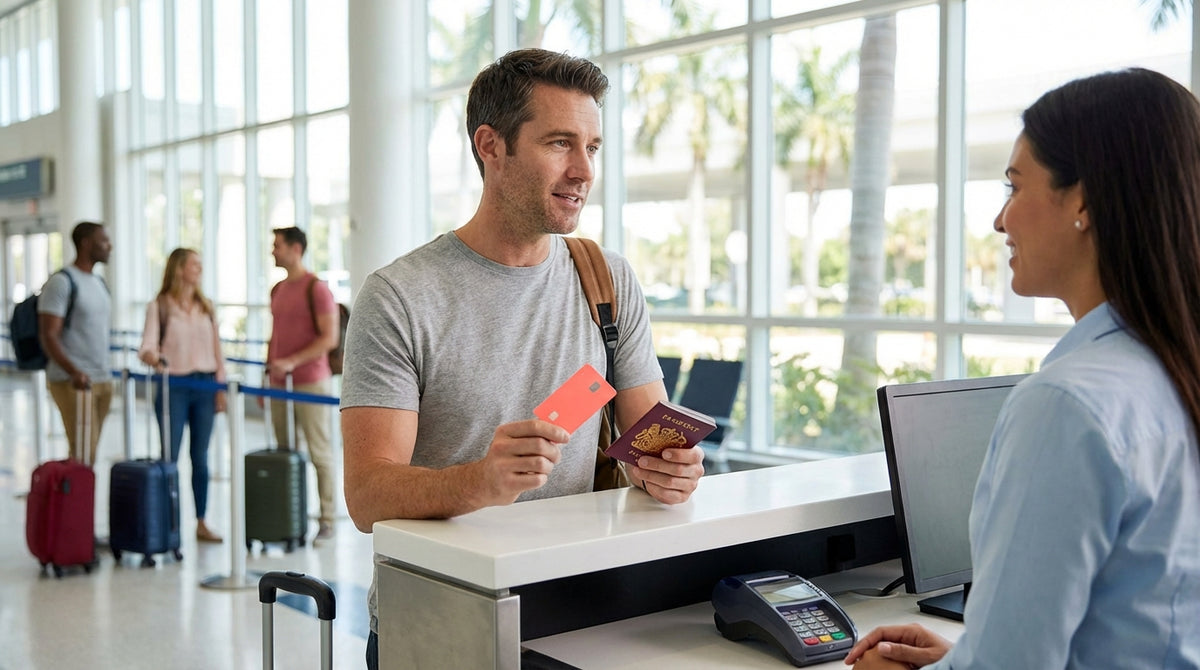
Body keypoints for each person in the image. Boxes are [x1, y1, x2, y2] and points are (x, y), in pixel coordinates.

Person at [340, 48, 706, 668]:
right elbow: (367, 494)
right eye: (559, 143)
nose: (582, 170)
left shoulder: (607, 282)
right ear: (491, 146)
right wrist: (480, 481)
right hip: (440, 625)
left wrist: (670, 470)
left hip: (583, 618)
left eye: (592, 147)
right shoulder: (400, 296)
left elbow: (651, 437)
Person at [845, 68, 1200, 669]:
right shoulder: (1172, 371)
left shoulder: (1067, 404)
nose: (1000, 219)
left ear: (1083, 201)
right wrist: (964, 657)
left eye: (1014, 187)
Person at [137, 248, 228, 543]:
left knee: (200, 458)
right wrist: (153, 356)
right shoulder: (160, 306)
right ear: (179, 268)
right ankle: (168, 520)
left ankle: (201, 521)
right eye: (194, 264)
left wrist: (221, 387)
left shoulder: (206, 306)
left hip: (204, 386)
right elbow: (147, 346)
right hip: (173, 386)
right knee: (170, 457)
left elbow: (217, 351)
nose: (199, 269)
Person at [266, 225, 339, 543]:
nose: (273, 250)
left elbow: (330, 337)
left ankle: (327, 519)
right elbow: (276, 337)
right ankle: (288, 518)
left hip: (311, 382)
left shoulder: (317, 289)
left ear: (296, 249)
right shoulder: (278, 289)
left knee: (319, 452)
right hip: (280, 383)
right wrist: (269, 376)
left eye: (277, 245)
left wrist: (293, 362)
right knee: (285, 452)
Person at [38, 221, 114, 467]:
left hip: (101, 378)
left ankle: (81, 503)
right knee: (83, 453)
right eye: (103, 241)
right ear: (86, 243)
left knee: (88, 455)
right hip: (73, 381)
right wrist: (74, 372)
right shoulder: (62, 282)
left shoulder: (99, 283)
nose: (109, 246)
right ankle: (76, 503)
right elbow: (49, 334)